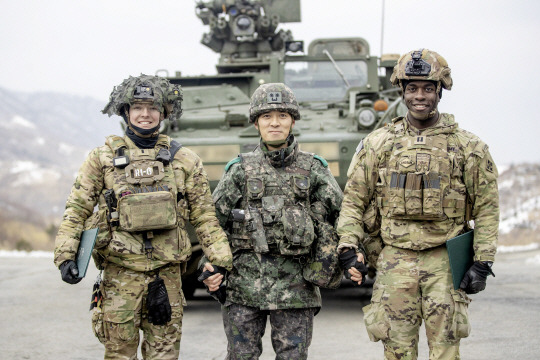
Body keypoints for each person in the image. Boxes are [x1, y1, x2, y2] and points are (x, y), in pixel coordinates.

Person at [54, 74, 232, 359]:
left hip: (168, 275)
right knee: (119, 354)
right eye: (138, 107)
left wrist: (220, 262)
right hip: (119, 277)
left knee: (164, 355)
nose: (145, 114)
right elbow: (77, 209)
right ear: (126, 112)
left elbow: (204, 216)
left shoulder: (185, 160)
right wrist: (65, 255)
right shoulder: (102, 159)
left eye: (153, 107)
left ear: (164, 112)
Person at [336, 49, 499, 359]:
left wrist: (483, 260)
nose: (419, 96)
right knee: (397, 352)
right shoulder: (378, 143)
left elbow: (487, 207)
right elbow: (354, 201)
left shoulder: (468, 147)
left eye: (427, 88)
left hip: (445, 263)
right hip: (395, 262)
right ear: (402, 91)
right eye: (412, 88)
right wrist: (348, 245)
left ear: (440, 91)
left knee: (446, 352)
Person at [209, 83, 343, 359]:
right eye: (266, 116)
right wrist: (210, 266)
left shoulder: (314, 169)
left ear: (293, 121)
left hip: (297, 288)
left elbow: (343, 215)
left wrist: (351, 256)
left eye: (282, 116)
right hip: (244, 286)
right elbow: (212, 223)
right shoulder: (239, 170)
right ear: (256, 122)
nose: (274, 123)